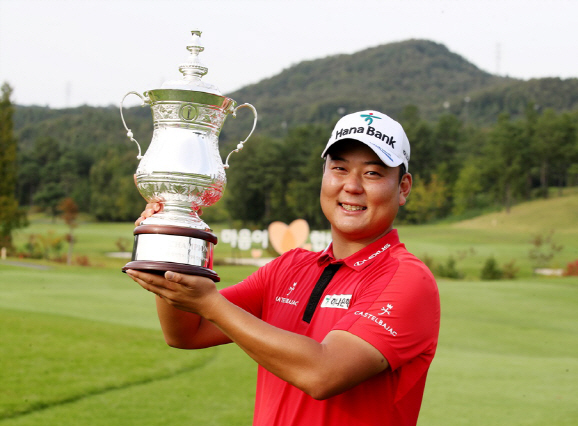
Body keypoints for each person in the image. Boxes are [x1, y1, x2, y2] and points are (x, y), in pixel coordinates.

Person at [126, 110, 440, 426]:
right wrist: (174, 244)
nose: (352, 186)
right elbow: (186, 332)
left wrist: (210, 303)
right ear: (324, 175)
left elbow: (324, 373)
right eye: (339, 168)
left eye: (372, 173)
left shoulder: (407, 279)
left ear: (403, 188)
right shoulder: (288, 267)